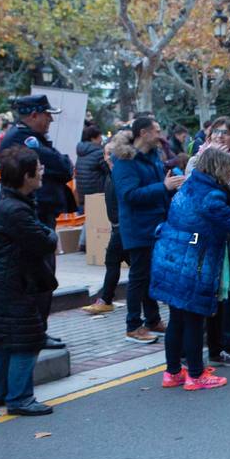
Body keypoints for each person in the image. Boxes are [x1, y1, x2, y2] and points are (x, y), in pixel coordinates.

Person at [150, 146, 230, 391]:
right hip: (193, 262)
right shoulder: (212, 196)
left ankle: (173, 372)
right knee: (195, 318)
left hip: (170, 256)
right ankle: (196, 375)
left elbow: (224, 214)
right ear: (219, 168)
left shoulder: (191, 186)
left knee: (177, 317)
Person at [0, 146, 58, 416]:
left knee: (7, 340)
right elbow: (44, 241)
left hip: (2, 281)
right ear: (26, 176)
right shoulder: (15, 210)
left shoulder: (12, 202)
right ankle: (20, 398)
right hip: (12, 284)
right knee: (26, 340)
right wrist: (51, 236)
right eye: (38, 168)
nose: (42, 171)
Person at [115, 116, 185, 343]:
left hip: (156, 225)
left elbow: (159, 189)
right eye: (156, 131)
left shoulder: (154, 156)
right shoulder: (125, 161)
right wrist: (163, 187)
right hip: (138, 228)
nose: (161, 134)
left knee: (149, 276)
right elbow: (130, 195)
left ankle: (152, 320)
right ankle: (133, 325)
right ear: (143, 133)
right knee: (138, 276)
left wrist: (170, 187)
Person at [0, 95, 73, 229]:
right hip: (35, 208)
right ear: (34, 115)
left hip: (36, 207)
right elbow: (62, 166)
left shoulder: (26, 136)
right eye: (47, 115)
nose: (51, 119)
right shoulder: (22, 138)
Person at [82, 131, 132, 315]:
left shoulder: (123, 174)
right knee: (132, 265)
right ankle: (106, 299)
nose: (108, 156)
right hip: (117, 227)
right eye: (106, 153)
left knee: (114, 261)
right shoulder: (109, 173)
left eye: (112, 153)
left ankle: (105, 299)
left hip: (123, 228)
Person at [74, 124, 107, 207]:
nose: (101, 140)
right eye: (100, 137)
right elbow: (109, 170)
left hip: (82, 196)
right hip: (96, 197)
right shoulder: (99, 153)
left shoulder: (81, 152)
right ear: (93, 138)